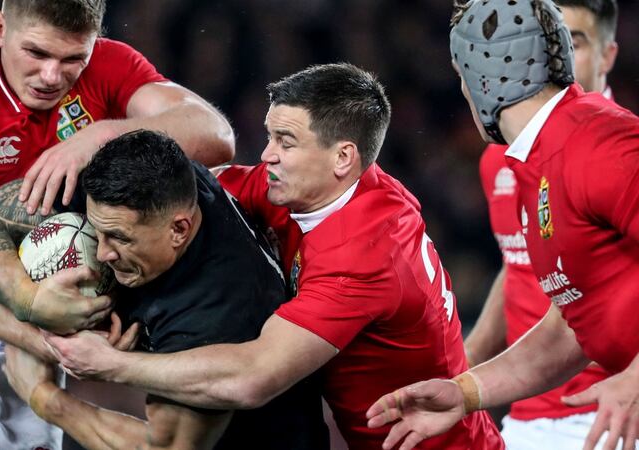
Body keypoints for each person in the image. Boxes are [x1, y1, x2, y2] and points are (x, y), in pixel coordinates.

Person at [31, 63, 504, 449]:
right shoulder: (309, 189)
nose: (267, 155)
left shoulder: (365, 253)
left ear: (343, 158)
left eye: (285, 141)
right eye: (270, 136)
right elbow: (191, 193)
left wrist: (109, 365)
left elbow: (252, 378)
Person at [0, 0, 234, 448]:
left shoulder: (108, 65)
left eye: (72, 59)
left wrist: (101, 136)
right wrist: (60, 342)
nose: (52, 76)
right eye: (36, 53)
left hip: (25, 342)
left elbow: (216, 135)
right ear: (0, 28)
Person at [0, 129, 329, 450]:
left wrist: (44, 396)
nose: (103, 252)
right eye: (97, 230)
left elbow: (163, 446)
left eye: (120, 239)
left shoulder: (216, 314)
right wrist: (30, 300)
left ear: (179, 230)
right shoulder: (156, 182)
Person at [367, 1, 639, 450]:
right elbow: (570, 329)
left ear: (479, 81)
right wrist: (464, 392)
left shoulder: (601, 143)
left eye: (461, 78)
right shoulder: (539, 155)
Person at [463, 1, 618, 448]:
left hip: (608, 416)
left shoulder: (618, 153)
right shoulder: (499, 158)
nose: (559, 57)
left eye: (576, 43)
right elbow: (519, 266)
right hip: (527, 413)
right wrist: (463, 366)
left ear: (607, 56)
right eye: (550, 42)